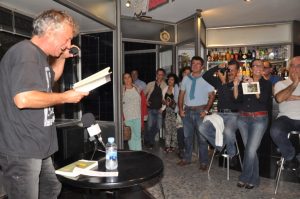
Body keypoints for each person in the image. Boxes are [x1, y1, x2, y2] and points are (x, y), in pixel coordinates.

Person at [0, 9, 89, 199]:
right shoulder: (25, 53)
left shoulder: (39, 57)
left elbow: (50, 79)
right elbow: (23, 98)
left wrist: (62, 58)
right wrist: (65, 97)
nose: (69, 44)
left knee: (51, 189)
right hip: (22, 148)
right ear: (49, 32)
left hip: (39, 146)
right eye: (66, 39)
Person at [233, 59, 272, 189]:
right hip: (243, 119)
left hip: (259, 120)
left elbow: (262, 99)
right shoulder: (245, 81)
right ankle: (254, 179)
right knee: (251, 151)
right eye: (254, 65)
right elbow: (237, 99)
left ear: (263, 68)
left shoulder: (266, 83)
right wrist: (236, 84)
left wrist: (253, 84)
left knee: (250, 150)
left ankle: (244, 177)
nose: (256, 67)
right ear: (251, 68)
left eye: (259, 65)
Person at [177, 56, 215, 171]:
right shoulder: (186, 79)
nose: (195, 65)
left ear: (202, 66)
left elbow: (212, 96)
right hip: (187, 111)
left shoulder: (206, 78)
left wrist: (206, 110)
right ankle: (187, 158)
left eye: (198, 64)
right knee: (187, 137)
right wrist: (180, 109)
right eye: (193, 63)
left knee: (202, 139)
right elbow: (181, 95)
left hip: (200, 111)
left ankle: (203, 162)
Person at [199, 60, 240, 161]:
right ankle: (222, 147)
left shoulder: (238, 84)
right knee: (202, 128)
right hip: (220, 114)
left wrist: (223, 83)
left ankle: (232, 155)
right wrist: (217, 67)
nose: (230, 72)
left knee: (228, 131)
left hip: (234, 114)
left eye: (232, 70)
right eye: (228, 69)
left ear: (237, 71)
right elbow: (205, 76)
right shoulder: (219, 80)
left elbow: (232, 100)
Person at [270, 56, 300, 171]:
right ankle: (291, 156)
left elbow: (284, 97)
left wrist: (289, 97)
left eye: (298, 66)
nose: (295, 69)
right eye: (292, 66)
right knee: (275, 130)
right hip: (286, 118)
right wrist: (295, 83)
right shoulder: (281, 84)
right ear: (288, 68)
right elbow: (279, 98)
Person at [144, 68, 167, 148]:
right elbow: (143, 94)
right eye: (158, 74)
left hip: (159, 110)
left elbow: (165, 99)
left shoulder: (165, 86)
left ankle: (147, 139)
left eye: (161, 74)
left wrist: (164, 104)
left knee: (158, 126)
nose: (160, 76)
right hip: (150, 109)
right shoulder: (150, 84)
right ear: (156, 75)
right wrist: (145, 102)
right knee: (149, 126)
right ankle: (150, 141)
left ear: (163, 76)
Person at [122, 73, 143, 151]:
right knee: (131, 137)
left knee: (138, 136)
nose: (127, 79)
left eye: (129, 77)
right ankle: (133, 153)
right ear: (123, 80)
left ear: (131, 78)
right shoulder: (121, 90)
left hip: (137, 116)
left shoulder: (137, 88)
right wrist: (122, 119)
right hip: (127, 117)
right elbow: (119, 106)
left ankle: (139, 153)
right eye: (125, 78)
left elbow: (142, 102)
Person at [162, 73, 179, 153]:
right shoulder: (165, 89)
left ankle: (173, 145)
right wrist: (164, 103)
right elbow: (162, 100)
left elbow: (179, 101)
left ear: (174, 81)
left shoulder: (176, 89)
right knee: (167, 129)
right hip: (167, 111)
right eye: (169, 79)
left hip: (175, 111)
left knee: (174, 129)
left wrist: (172, 103)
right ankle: (167, 146)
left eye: (172, 79)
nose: (170, 81)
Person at [177, 66, 192, 159]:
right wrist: (180, 109)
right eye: (185, 73)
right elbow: (176, 98)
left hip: (191, 109)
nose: (186, 74)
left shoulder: (193, 84)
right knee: (181, 130)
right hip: (181, 109)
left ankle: (188, 150)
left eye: (188, 73)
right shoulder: (178, 85)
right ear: (182, 74)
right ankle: (181, 149)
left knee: (188, 131)